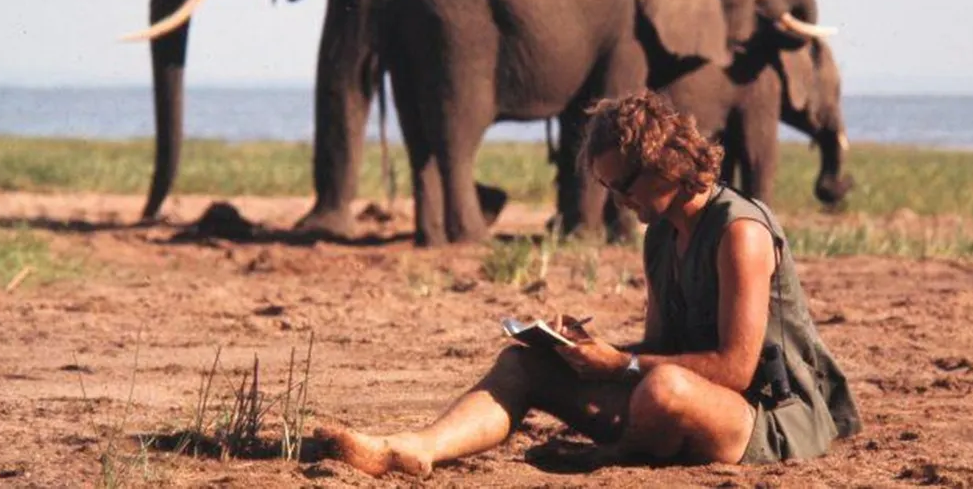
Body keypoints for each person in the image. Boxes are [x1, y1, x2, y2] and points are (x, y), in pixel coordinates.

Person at [313, 89, 861, 477]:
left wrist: (619, 364)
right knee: (522, 363)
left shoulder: (740, 233)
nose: (620, 201)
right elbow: (663, 348)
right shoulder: (661, 235)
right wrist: (586, 350)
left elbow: (736, 368)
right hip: (676, 404)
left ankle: (613, 456)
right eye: (608, 189)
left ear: (666, 164)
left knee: (664, 390)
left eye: (625, 186)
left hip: (766, 418)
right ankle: (416, 447)